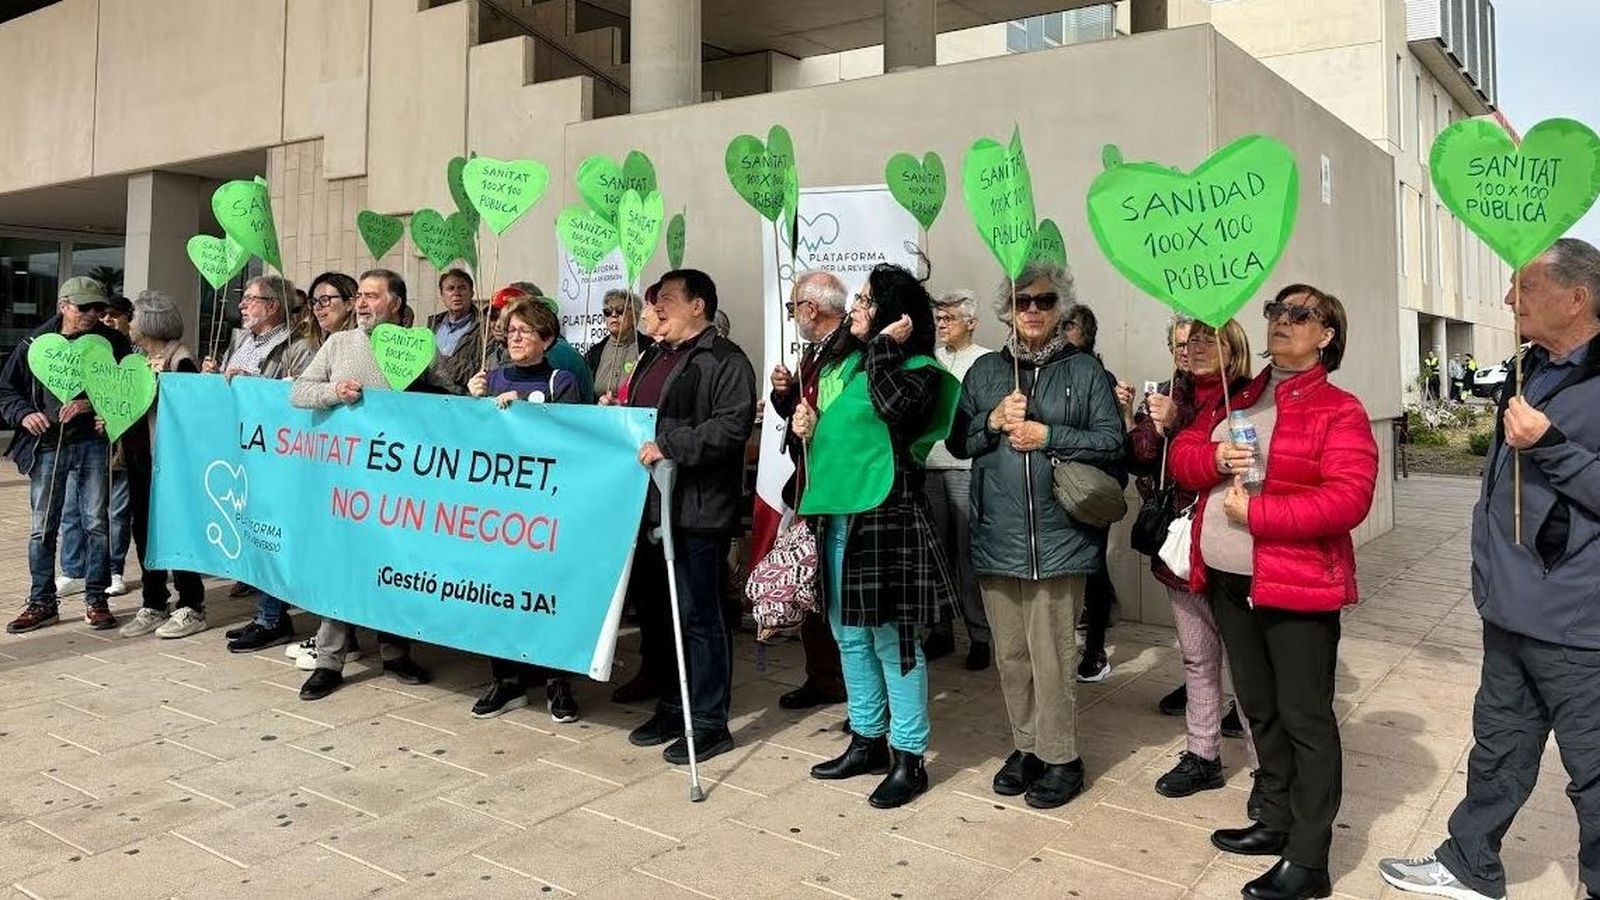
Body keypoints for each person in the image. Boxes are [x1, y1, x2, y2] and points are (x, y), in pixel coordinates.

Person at [1380, 239, 1600, 900]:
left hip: (1575, 617)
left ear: (1576, 298)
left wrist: (1553, 447)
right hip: (1509, 601)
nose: (1509, 301)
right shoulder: (1530, 368)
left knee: (1592, 765)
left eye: (1524, 289)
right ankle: (1470, 862)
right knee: (1500, 743)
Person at [1170, 285, 1377, 900]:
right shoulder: (1245, 393)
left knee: (1305, 718)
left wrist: (1261, 517)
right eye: (1275, 312)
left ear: (1328, 334)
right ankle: (1276, 819)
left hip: (1296, 588)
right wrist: (1212, 456)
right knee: (1259, 709)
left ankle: (1309, 859)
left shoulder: (1340, 409)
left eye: (1300, 314)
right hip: (1231, 584)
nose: (1282, 322)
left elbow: (1349, 498)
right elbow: (1181, 455)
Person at [947, 259, 1124, 809]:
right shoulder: (984, 374)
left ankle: (1061, 755)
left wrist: (1049, 434)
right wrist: (993, 421)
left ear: (1060, 308)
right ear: (1006, 309)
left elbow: (1111, 443)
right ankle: (1026, 746)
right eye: (1023, 301)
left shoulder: (1084, 371)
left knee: (1052, 657)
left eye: (1044, 302)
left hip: (1058, 537)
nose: (1032, 311)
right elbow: (959, 442)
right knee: (1013, 655)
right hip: (998, 535)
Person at [792, 263, 960, 809]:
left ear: (895, 315)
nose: (857, 309)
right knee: (850, 636)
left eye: (866, 301)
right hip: (839, 519)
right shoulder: (849, 365)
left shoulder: (918, 371)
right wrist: (805, 428)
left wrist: (885, 346)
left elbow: (893, 409)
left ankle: (908, 757)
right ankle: (866, 738)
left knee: (896, 643)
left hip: (889, 520)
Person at [288, 268, 445, 700]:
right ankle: (329, 660)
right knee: (342, 564)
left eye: (371, 296)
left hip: (398, 481)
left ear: (395, 303)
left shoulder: (419, 347)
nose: (360, 303)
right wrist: (334, 391)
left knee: (393, 564)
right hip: (347, 480)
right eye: (358, 294)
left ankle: (395, 653)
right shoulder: (339, 344)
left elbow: (448, 400)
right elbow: (299, 391)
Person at [624, 268, 756, 765]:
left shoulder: (724, 360)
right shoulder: (654, 356)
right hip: (650, 506)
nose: (657, 308)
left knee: (698, 615)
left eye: (669, 300)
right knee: (658, 612)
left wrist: (670, 445)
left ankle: (708, 720)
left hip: (696, 509)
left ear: (698, 305)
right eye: (655, 301)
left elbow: (730, 428)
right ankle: (671, 704)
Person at [1125, 317, 1259, 802]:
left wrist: (1182, 427)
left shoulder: (1249, 394)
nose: (1196, 348)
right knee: (1198, 658)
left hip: (1232, 547)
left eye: (1208, 338)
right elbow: (1139, 456)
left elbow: (1255, 465)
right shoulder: (1167, 391)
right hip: (1180, 545)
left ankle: (1265, 767)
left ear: (1233, 345)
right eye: (1188, 340)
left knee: (1247, 665)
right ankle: (1202, 755)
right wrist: (1152, 425)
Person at [465, 297, 582, 722]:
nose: (514, 337)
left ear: (547, 338)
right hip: (498, 509)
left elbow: (569, 437)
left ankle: (557, 681)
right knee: (497, 591)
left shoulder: (560, 380)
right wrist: (472, 401)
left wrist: (528, 413)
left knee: (545, 594)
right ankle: (506, 679)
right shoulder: (490, 377)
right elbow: (471, 439)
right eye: (510, 330)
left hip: (543, 509)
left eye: (525, 331)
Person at [2, 277, 132, 633]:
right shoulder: (35, 343)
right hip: (46, 445)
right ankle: (41, 601)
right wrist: (24, 414)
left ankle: (96, 598)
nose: (92, 315)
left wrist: (93, 404)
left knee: (96, 522)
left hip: (91, 443)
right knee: (42, 526)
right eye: (84, 307)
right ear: (64, 306)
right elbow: (6, 389)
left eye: (98, 309)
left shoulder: (113, 342)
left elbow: (131, 386)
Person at [764, 270, 853, 712]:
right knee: (809, 582)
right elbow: (802, 413)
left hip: (833, 488)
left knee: (831, 588)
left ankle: (848, 686)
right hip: (807, 484)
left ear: (810, 309)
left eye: (793, 307)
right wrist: (784, 395)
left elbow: (838, 420)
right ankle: (822, 675)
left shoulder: (848, 350)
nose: (793, 315)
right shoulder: (819, 351)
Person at [116, 292, 211, 639]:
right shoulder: (138, 359)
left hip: (170, 462)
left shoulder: (180, 360)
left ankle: (191, 604)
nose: (130, 324)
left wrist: (160, 387)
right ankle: (153, 601)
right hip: (140, 460)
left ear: (152, 323)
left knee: (176, 528)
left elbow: (191, 410)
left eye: (135, 318)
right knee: (144, 530)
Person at [920, 289, 993, 671]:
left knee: (968, 554)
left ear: (971, 322)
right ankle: (940, 630)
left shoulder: (985, 362)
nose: (941, 326)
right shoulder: (930, 360)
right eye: (938, 319)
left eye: (948, 319)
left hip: (965, 468)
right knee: (936, 553)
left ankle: (979, 634)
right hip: (929, 464)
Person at [1061, 302, 1126, 684]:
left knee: (1093, 567)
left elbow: (1108, 440)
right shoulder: (1052, 372)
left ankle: (1096, 649)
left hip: (1091, 489)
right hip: (1062, 487)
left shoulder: (1100, 377)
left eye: (1068, 325)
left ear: (1086, 334)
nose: (1061, 331)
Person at [203, 275, 311, 378]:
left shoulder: (299, 348)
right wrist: (215, 375)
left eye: (249, 299)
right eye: (243, 299)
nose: (241, 306)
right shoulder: (239, 340)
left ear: (272, 306)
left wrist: (249, 382)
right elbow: (227, 382)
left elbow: (299, 391)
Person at [584, 289, 652, 399]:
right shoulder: (594, 352)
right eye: (608, 312)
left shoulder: (650, 349)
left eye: (621, 310)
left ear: (635, 316)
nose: (614, 315)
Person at [428, 268, 483, 392]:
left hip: (459, 399)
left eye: (462, 288)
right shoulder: (432, 325)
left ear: (472, 293)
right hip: (429, 395)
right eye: (450, 288)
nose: (456, 293)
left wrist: (440, 361)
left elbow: (481, 372)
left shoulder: (483, 329)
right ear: (442, 295)